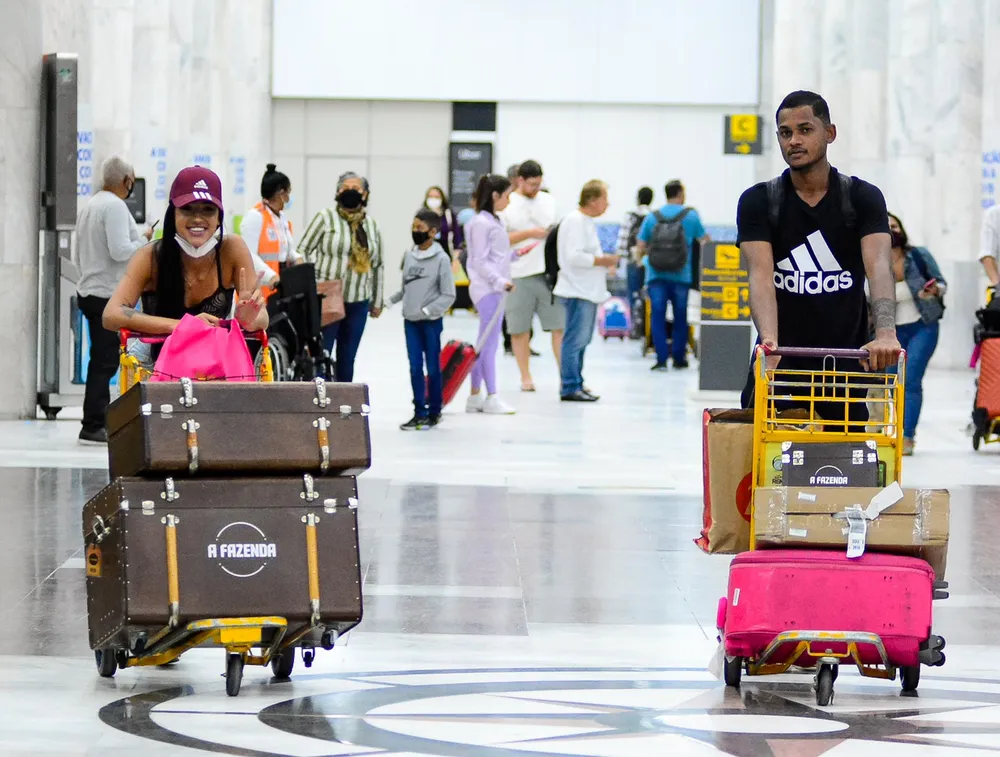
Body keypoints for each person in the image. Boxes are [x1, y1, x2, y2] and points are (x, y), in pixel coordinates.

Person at [737, 90, 900, 420]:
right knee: (769, 464)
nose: (794, 140)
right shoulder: (759, 201)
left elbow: (879, 267)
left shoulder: (862, 198)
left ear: (830, 133)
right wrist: (769, 341)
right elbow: (761, 277)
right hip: (782, 363)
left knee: (846, 464)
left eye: (805, 129)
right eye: (785, 133)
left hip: (844, 365)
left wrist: (885, 334)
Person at [102, 165, 268, 338]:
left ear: (219, 217)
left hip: (214, 357)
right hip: (155, 361)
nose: (197, 218)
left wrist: (247, 321)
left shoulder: (232, 249)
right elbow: (111, 314)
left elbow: (262, 317)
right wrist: (185, 325)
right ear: (173, 215)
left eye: (208, 210)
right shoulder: (150, 256)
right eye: (187, 209)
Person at [75, 155, 153, 444]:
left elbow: (77, 253)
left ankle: (96, 420)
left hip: (89, 291)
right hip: (106, 296)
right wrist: (145, 240)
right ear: (126, 181)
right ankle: (93, 424)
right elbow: (122, 251)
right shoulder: (116, 206)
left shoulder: (91, 205)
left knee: (101, 360)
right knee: (105, 362)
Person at [299, 172, 384, 382]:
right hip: (327, 298)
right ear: (337, 192)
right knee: (322, 356)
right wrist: (315, 282)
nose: (350, 193)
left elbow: (378, 264)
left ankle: (342, 405)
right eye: (345, 188)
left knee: (347, 358)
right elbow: (303, 250)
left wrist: (377, 301)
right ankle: (319, 402)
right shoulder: (325, 218)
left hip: (358, 300)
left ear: (365, 195)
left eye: (356, 189)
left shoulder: (371, 225)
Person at [388, 209, 456, 430]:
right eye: (414, 227)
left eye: (420, 228)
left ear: (433, 231)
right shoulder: (409, 255)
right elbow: (406, 288)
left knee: (433, 368)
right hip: (410, 323)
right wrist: (387, 303)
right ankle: (419, 411)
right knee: (415, 367)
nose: (415, 231)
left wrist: (427, 311)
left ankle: (434, 410)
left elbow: (448, 294)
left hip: (430, 323)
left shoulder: (442, 259)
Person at [554, 180, 619, 402]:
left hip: (586, 290)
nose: (607, 205)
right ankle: (570, 386)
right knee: (574, 341)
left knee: (581, 341)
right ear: (592, 199)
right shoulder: (575, 221)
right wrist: (603, 260)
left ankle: (577, 383)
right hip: (577, 290)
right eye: (604, 199)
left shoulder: (585, 221)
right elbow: (574, 256)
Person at [887, 212, 946, 455]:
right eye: (887, 227)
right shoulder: (872, 261)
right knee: (890, 381)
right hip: (890, 331)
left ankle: (908, 436)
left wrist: (934, 291)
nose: (893, 231)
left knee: (910, 380)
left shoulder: (918, 255)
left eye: (895, 226)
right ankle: (893, 429)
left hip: (923, 325)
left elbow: (941, 283)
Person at [636, 180, 710, 371]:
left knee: (657, 316)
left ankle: (661, 359)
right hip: (681, 275)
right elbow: (705, 241)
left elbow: (641, 244)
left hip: (655, 275)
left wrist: (642, 261)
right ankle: (679, 358)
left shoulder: (653, 216)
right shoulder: (691, 216)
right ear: (680, 193)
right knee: (680, 316)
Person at [499, 160, 560, 392]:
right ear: (520, 180)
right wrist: (530, 233)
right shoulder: (508, 203)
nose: (535, 189)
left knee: (558, 325)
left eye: (538, 184)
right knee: (519, 328)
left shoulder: (549, 201)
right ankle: (526, 377)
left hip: (547, 273)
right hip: (517, 273)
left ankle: (565, 376)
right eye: (531, 184)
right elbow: (500, 239)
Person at [465, 174, 517, 414]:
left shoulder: (496, 221)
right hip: (488, 290)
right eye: (507, 195)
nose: (509, 200)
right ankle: (492, 395)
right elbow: (478, 260)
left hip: (495, 287)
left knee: (484, 342)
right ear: (495, 196)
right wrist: (499, 281)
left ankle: (475, 395)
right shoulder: (479, 223)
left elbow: (495, 256)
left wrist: (515, 255)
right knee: (490, 344)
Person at [240, 163, 302, 294]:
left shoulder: (281, 218)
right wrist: (270, 277)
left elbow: (287, 251)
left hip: (280, 286)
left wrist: (297, 258)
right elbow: (249, 255)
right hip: (262, 287)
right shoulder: (255, 217)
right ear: (281, 193)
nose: (289, 198)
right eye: (288, 192)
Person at [617, 186, 654, 310]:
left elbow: (623, 239)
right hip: (651, 262)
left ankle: (635, 325)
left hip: (632, 260)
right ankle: (647, 325)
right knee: (649, 294)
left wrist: (618, 260)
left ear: (637, 199)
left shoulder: (630, 216)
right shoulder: (655, 217)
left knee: (633, 294)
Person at [423, 186, 464, 256]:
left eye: (436, 197)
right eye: (431, 197)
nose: (433, 200)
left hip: (446, 252)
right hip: (426, 253)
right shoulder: (422, 215)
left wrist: (457, 251)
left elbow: (456, 234)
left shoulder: (448, 215)